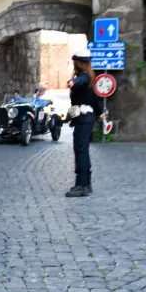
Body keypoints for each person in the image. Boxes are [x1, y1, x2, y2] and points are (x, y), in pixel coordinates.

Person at [64, 49, 100, 197]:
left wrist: (73, 81)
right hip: (86, 118)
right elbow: (95, 99)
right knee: (83, 150)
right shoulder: (90, 77)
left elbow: (80, 81)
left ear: (78, 63)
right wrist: (100, 113)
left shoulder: (84, 77)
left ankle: (81, 185)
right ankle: (87, 183)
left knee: (80, 151)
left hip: (84, 119)